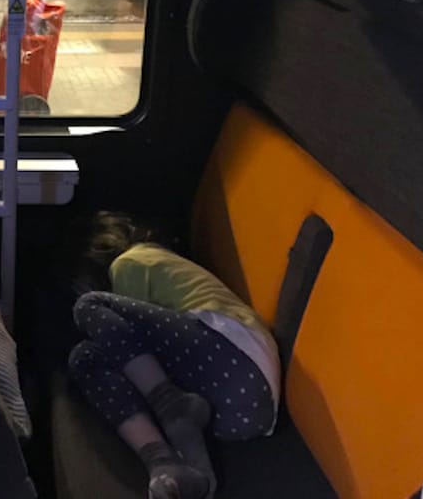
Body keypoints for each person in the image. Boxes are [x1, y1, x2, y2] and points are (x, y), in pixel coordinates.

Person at [66, 212, 280, 499]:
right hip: (244, 414)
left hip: (236, 355)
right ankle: (167, 465)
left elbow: (126, 341)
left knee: (89, 307)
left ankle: (171, 405)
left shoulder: (130, 262)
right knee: (85, 357)